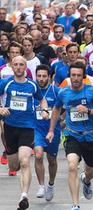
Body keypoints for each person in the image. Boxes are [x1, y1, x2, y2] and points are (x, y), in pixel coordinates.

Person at [46, 61, 93, 210]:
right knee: (72, 165)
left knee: (90, 170)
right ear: (70, 76)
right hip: (72, 134)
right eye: (73, 75)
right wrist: (51, 130)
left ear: (83, 77)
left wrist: (89, 111)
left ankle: (87, 181)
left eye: (78, 76)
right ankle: (75, 204)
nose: (75, 78)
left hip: (91, 136)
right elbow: (56, 109)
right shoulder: (64, 93)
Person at [0, 56, 49, 210]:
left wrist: (45, 110)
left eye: (22, 65)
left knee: (25, 161)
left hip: (27, 128)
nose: (19, 67)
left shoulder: (32, 85)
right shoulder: (6, 83)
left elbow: (42, 100)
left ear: (26, 67)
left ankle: (24, 196)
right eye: (16, 65)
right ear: (12, 67)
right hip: (10, 128)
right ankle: (11, 158)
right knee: (14, 165)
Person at [33, 64, 61, 202]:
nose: (41, 79)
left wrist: (61, 120)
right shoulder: (32, 90)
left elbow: (66, 105)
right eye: (39, 76)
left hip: (52, 130)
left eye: (44, 76)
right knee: (38, 155)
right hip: (36, 129)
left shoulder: (56, 91)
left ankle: (51, 184)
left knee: (51, 160)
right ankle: (41, 185)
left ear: (49, 77)